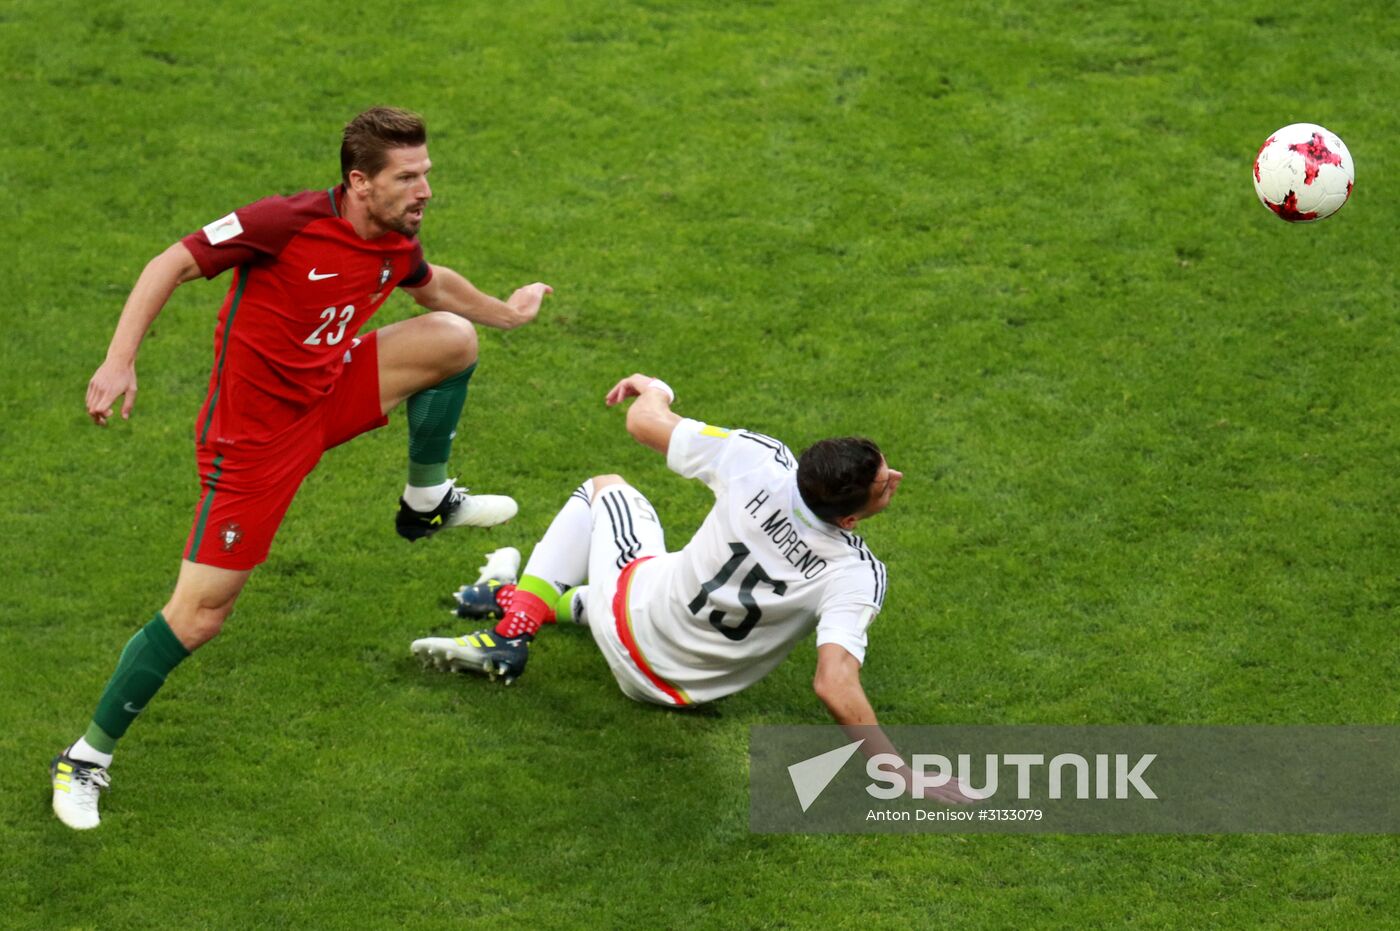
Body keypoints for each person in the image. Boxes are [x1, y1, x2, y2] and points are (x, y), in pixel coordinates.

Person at [50, 107, 552, 830]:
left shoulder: (392, 237)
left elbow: (431, 284)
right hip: (252, 445)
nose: (425, 191)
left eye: (426, 174)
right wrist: (118, 358)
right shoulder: (282, 223)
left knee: (453, 337)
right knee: (199, 615)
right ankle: (85, 758)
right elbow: (174, 261)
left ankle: (427, 500)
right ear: (358, 181)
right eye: (408, 178)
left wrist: (508, 312)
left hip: (327, 392)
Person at [412, 373, 969, 804]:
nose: (894, 479)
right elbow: (833, 683)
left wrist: (654, 387)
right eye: (883, 482)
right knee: (639, 554)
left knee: (604, 490)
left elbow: (642, 422)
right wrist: (897, 772)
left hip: (630, 617)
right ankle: (515, 612)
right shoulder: (853, 572)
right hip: (671, 690)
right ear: (848, 520)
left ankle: (513, 616)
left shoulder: (759, 462)